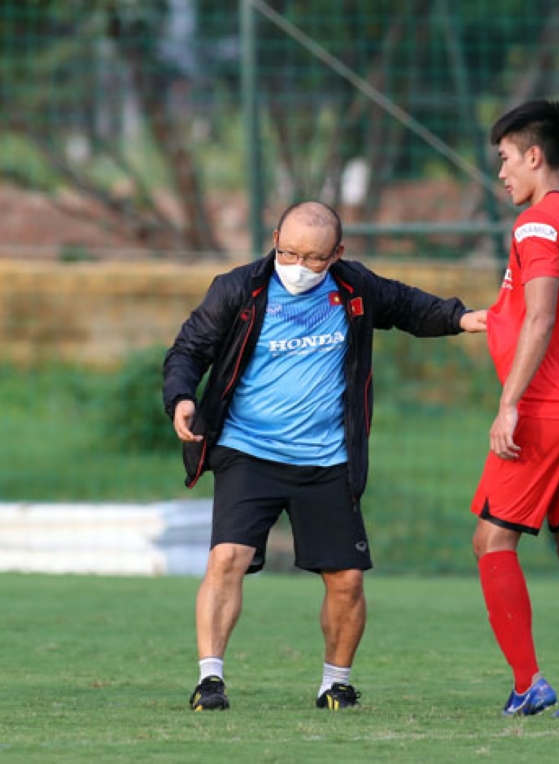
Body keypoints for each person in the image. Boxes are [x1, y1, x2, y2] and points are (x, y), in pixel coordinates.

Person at [163, 200, 487, 712]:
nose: (297, 266)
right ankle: (210, 680)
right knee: (226, 558)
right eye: (287, 252)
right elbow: (189, 349)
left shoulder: (354, 288)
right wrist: (181, 396)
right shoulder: (238, 289)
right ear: (273, 238)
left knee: (348, 579)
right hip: (248, 450)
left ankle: (335, 683)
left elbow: (407, 306)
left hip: (327, 458)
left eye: (313, 258)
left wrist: (462, 318)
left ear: (337, 253)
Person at [470, 100, 559, 719]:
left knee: (491, 540)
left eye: (504, 160)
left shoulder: (535, 225)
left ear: (534, 155)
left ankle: (528, 682)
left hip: (548, 410)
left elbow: (542, 314)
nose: (501, 174)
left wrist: (509, 404)